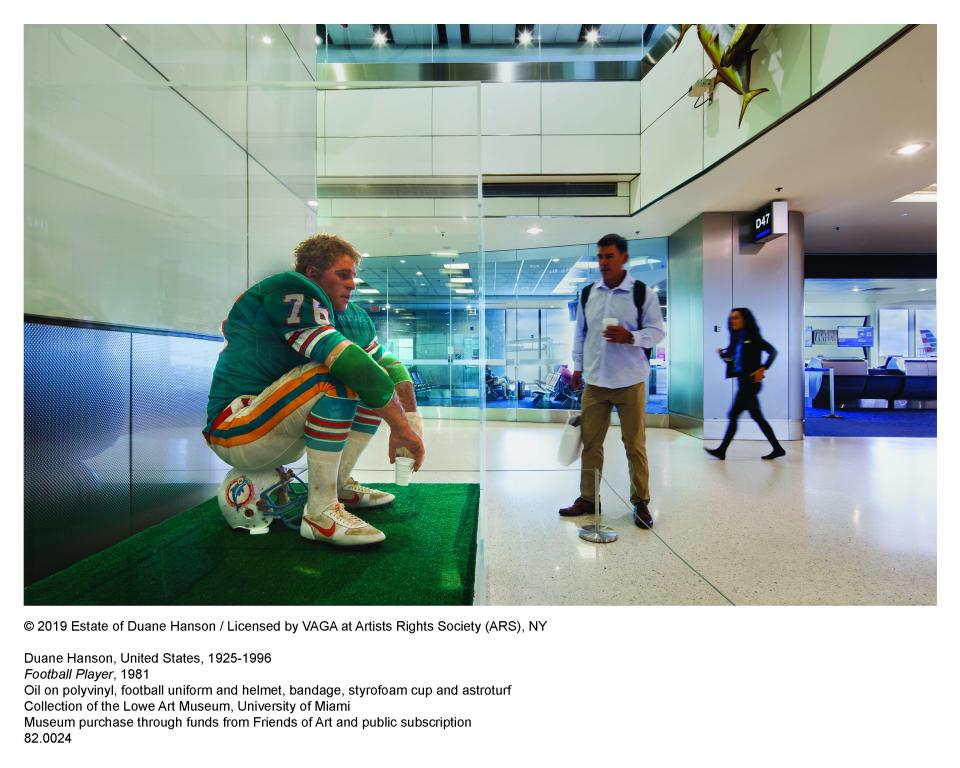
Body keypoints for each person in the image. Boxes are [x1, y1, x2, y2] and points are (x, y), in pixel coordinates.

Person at [203, 234, 425, 546]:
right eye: (342, 274)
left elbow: (388, 367)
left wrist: (412, 421)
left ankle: (338, 485)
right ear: (311, 274)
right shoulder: (289, 288)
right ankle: (320, 512)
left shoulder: (349, 315)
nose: (352, 284)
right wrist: (400, 427)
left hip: (273, 420)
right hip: (235, 425)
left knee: (364, 381)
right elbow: (354, 366)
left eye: (353, 276)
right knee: (334, 375)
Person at [559, 234, 666, 528]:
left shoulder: (642, 293)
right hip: (595, 382)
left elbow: (657, 331)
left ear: (624, 258)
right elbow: (580, 334)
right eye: (600, 257)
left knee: (634, 444)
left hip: (631, 379)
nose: (603, 262)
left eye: (609, 256)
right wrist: (578, 367)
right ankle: (589, 498)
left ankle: (641, 502)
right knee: (591, 443)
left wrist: (630, 336)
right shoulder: (587, 294)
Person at [704, 307, 785, 461]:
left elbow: (773, 351)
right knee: (757, 417)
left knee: (734, 414)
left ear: (745, 320)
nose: (732, 321)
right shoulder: (738, 339)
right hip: (744, 382)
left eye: (736, 318)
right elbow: (734, 362)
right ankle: (778, 448)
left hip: (750, 384)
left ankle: (722, 451)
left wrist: (763, 368)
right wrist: (723, 356)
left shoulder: (753, 338)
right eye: (731, 318)